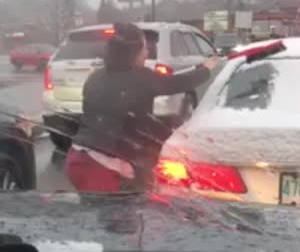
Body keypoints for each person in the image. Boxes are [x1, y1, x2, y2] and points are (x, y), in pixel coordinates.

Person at [65, 23, 219, 193]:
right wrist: (206, 69)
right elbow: (177, 83)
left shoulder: (96, 76)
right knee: (120, 214)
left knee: (93, 213)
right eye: (144, 48)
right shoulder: (140, 78)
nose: (147, 53)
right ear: (133, 54)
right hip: (103, 166)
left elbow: (114, 115)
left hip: (77, 157)